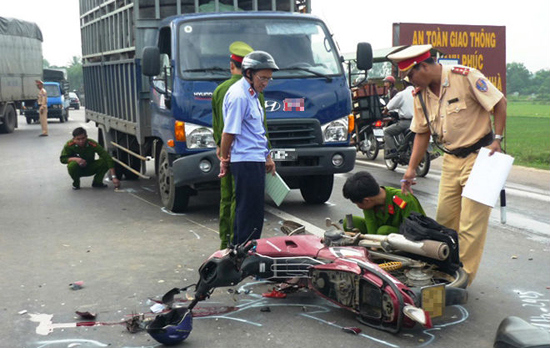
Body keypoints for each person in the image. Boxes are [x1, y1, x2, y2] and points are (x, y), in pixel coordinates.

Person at [387, 44, 507, 285]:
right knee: (444, 221)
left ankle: (462, 281)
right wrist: (410, 170)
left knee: (471, 225)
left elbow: (499, 103)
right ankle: (445, 270)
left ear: (424, 66)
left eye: (411, 74)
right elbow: (421, 132)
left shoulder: (465, 77)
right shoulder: (419, 94)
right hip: (451, 161)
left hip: (481, 158)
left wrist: (497, 139)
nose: (410, 81)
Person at [219, 51, 277, 245]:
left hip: (255, 159)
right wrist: (224, 159)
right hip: (245, 161)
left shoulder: (253, 95)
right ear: (249, 73)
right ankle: (242, 254)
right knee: (247, 212)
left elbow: (257, 131)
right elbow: (228, 133)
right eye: (262, 78)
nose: (265, 83)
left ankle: (248, 250)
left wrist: (267, 156)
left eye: (269, 79)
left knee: (254, 212)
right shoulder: (239, 96)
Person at [212, 41, 255, 249]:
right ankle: (240, 246)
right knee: (245, 203)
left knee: (227, 199)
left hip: (226, 153)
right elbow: (260, 126)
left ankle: (225, 243)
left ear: (232, 66)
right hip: (247, 156)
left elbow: (217, 127)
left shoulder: (220, 90)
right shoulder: (252, 90)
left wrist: (221, 150)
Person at [342, 171, 425, 235]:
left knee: (384, 231)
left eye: (357, 203)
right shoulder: (369, 202)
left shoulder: (403, 200)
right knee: (350, 222)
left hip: (408, 234)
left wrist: (376, 241)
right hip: (380, 233)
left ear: (366, 200)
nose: (358, 206)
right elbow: (371, 224)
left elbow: (414, 229)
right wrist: (372, 243)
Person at [383, 79, 415, 158]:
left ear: (404, 84)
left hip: (406, 122)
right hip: (418, 121)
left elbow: (390, 105)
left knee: (387, 132)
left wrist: (385, 111)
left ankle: (393, 151)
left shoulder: (401, 94)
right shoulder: (419, 93)